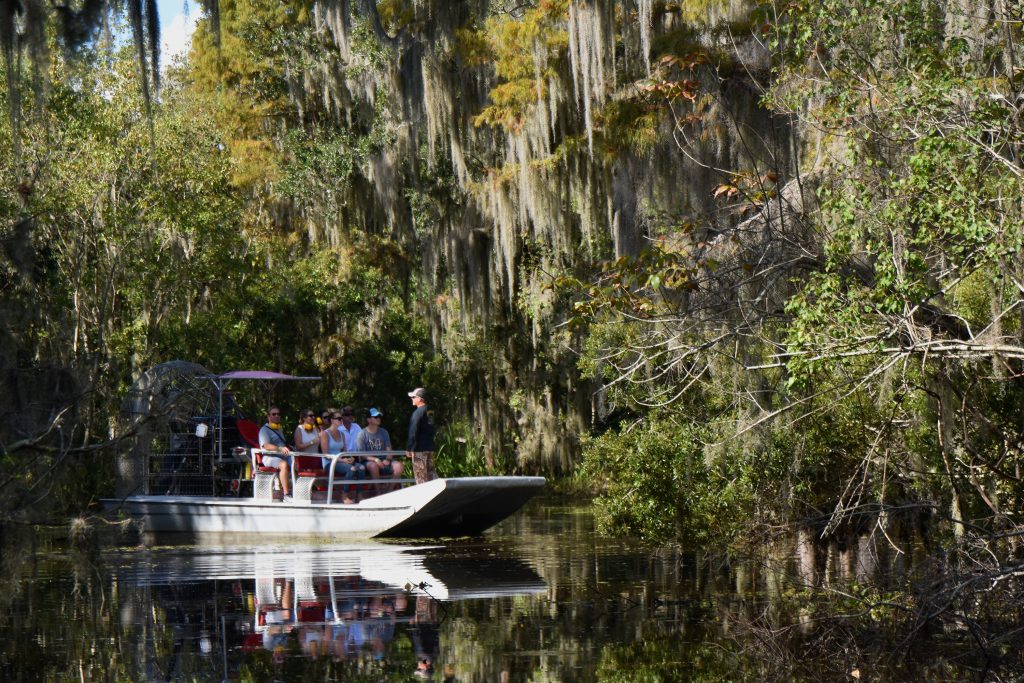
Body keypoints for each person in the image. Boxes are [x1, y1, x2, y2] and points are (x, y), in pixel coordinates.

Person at [320, 410, 364, 504]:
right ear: (332, 420)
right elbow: (326, 454)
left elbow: (344, 452)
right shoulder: (325, 434)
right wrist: (342, 460)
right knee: (351, 469)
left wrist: (350, 458)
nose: (341, 420)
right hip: (330, 462)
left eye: (341, 418)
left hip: (341, 460)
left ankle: (359, 495)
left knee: (361, 467)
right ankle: (344, 495)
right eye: (339, 418)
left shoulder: (342, 434)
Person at [358, 408, 405, 491]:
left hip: (384, 460)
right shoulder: (362, 434)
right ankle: (378, 492)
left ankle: (389, 489)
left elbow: (389, 449)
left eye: (379, 416)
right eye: (376, 417)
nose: (378, 418)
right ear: (369, 420)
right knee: (373, 466)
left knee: (399, 466)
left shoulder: (384, 432)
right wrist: (376, 459)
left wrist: (388, 459)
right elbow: (362, 455)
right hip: (369, 461)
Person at [258, 406, 292, 500]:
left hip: (283, 455)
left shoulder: (279, 429)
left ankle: (296, 490)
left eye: (278, 414)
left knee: (297, 463)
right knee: (283, 465)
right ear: (268, 417)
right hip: (270, 457)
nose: (276, 416)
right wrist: (279, 449)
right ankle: (286, 494)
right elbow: (266, 446)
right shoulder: (264, 430)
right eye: (274, 414)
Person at [406, 388, 436, 484]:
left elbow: (413, 432)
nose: (412, 399)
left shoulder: (417, 413)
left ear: (420, 399)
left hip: (419, 450)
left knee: (421, 478)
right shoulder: (430, 411)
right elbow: (432, 428)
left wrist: (409, 448)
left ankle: (425, 498)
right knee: (431, 475)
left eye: (414, 397)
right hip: (430, 448)